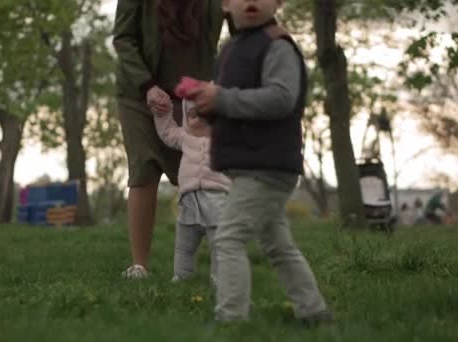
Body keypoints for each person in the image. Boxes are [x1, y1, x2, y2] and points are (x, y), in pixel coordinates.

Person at [187, 0, 333, 325]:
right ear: (225, 4)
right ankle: (314, 313)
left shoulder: (277, 45)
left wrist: (221, 98)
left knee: (228, 237)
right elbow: (234, 102)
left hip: (268, 165)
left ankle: (230, 321)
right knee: (278, 245)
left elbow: (281, 98)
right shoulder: (230, 49)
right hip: (250, 164)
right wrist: (207, 107)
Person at [113, 0, 226, 279]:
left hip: (193, 97)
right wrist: (146, 86)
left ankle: (221, 261)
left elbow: (239, 25)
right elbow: (123, 38)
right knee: (143, 170)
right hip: (141, 95)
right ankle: (140, 265)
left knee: (204, 174)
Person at [152, 99, 230, 283]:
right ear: (186, 118)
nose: (200, 119)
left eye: (207, 115)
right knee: (184, 246)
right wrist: (163, 114)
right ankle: (181, 275)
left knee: (219, 245)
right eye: (193, 115)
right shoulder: (184, 136)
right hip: (189, 202)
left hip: (216, 203)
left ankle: (219, 278)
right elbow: (167, 132)